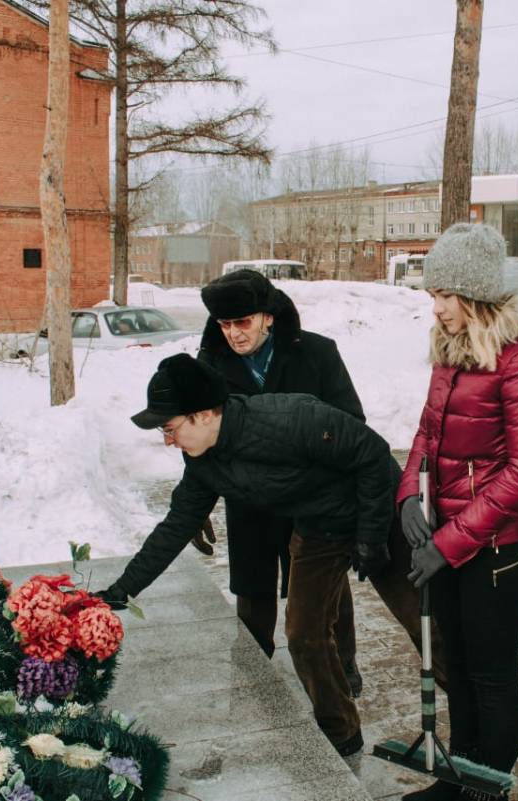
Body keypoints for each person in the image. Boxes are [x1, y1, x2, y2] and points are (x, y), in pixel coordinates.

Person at [98, 353, 438, 757]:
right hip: (318, 527)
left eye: (170, 429)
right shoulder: (203, 464)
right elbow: (173, 529)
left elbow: (372, 454)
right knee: (304, 635)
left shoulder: (289, 418)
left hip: (379, 510)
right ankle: (341, 732)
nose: (168, 441)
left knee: (423, 624)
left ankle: (474, 733)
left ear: (204, 414)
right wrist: (121, 591)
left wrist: (370, 536)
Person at [397, 223, 518, 801]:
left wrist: (451, 540)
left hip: (498, 552)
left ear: (475, 294)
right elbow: (426, 431)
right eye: (432, 297)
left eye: (444, 296)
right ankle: (458, 779)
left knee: (490, 677)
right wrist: (409, 493)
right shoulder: (451, 353)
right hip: (453, 543)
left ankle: (489, 789)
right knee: (455, 670)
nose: (436, 309)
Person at [195, 269, 365, 696]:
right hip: (249, 504)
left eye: (243, 322)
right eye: (225, 325)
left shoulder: (317, 354)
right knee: (252, 594)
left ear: (267, 316)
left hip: (310, 504)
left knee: (325, 594)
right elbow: (196, 435)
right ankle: (254, 674)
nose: (234, 334)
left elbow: (352, 425)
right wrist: (199, 501)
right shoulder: (210, 366)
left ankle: (343, 663)